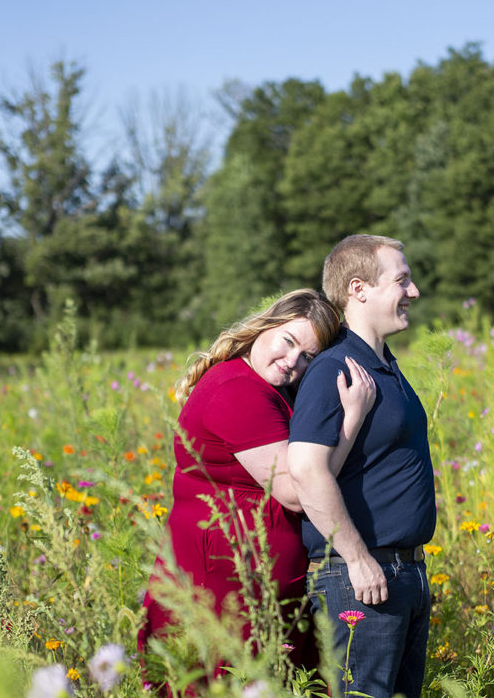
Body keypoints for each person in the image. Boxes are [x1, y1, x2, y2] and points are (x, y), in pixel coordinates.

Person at [137, 288, 376, 678]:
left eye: (307, 357)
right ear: (266, 325)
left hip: (249, 590)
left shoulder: (265, 388)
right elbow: (296, 492)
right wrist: (351, 420)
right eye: (288, 341)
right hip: (221, 591)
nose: (291, 362)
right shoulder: (237, 390)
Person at [288, 236, 436, 698]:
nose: (413, 291)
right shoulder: (337, 369)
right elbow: (305, 469)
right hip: (361, 575)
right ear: (358, 289)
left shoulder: (383, 365)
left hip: (401, 572)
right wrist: (355, 556)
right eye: (402, 280)